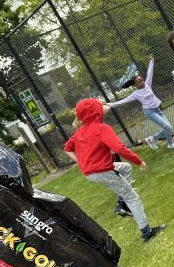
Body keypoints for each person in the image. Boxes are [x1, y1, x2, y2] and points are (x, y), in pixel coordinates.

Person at [64, 98, 165, 242]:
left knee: (125, 168)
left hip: (91, 173)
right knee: (132, 197)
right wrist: (138, 161)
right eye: (100, 105)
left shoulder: (80, 131)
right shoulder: (102, 128)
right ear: (95, 111)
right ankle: (147, 232)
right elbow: (119, 148)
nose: (103, 106)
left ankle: (122, 204)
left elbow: (67, 148)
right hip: (103, 171)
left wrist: (82, 162)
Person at [104, 56, 174, 150]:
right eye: (139, 82)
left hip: (157, 109)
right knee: (167, 126)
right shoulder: (135, 94)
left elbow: (149, 73)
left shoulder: (147, 85)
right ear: (135, 85)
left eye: (142, 80)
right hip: (150, 112)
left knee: (168, 128)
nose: (142, 82)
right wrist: (109, 104)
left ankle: (153, 139)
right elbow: (123, 101)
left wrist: (151, 61)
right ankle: (170, 144)